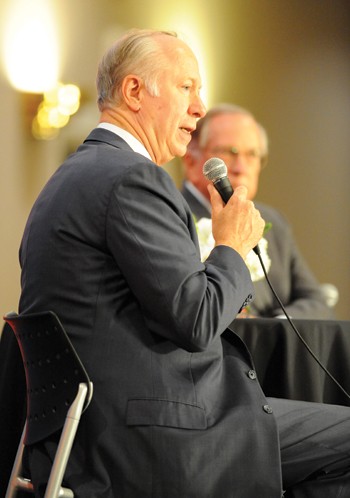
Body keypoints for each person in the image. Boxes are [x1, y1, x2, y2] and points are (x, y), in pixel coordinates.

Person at [17, 28, 350, 498]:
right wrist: (231, 245)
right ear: (134, 91)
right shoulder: (134, 179)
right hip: (157, 434)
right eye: (186, 87)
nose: (199, 106)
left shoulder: (72, 177)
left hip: (93, 432)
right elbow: (198, 320)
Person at [181, 103, 333, 319]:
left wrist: (269, 327)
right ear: (190, 161)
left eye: (252, 154)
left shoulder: (272, 221)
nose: (241, 167)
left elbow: (316, 304)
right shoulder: (172, 213)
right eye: (229, 152)